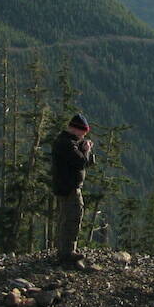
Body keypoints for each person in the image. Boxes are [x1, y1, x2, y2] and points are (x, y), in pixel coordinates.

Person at [51, 113, 96, 268]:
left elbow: (86, 162)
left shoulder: (67, 142)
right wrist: (86, 150)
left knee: (66, 218)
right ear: (75, 129)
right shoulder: (67, 144)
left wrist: (84, 150)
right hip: (69, 188)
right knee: (73, 218)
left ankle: (65, 250)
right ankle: (68, 252)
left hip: (65, 187)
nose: (84, 135)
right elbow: (81, 161)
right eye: (83, 132)